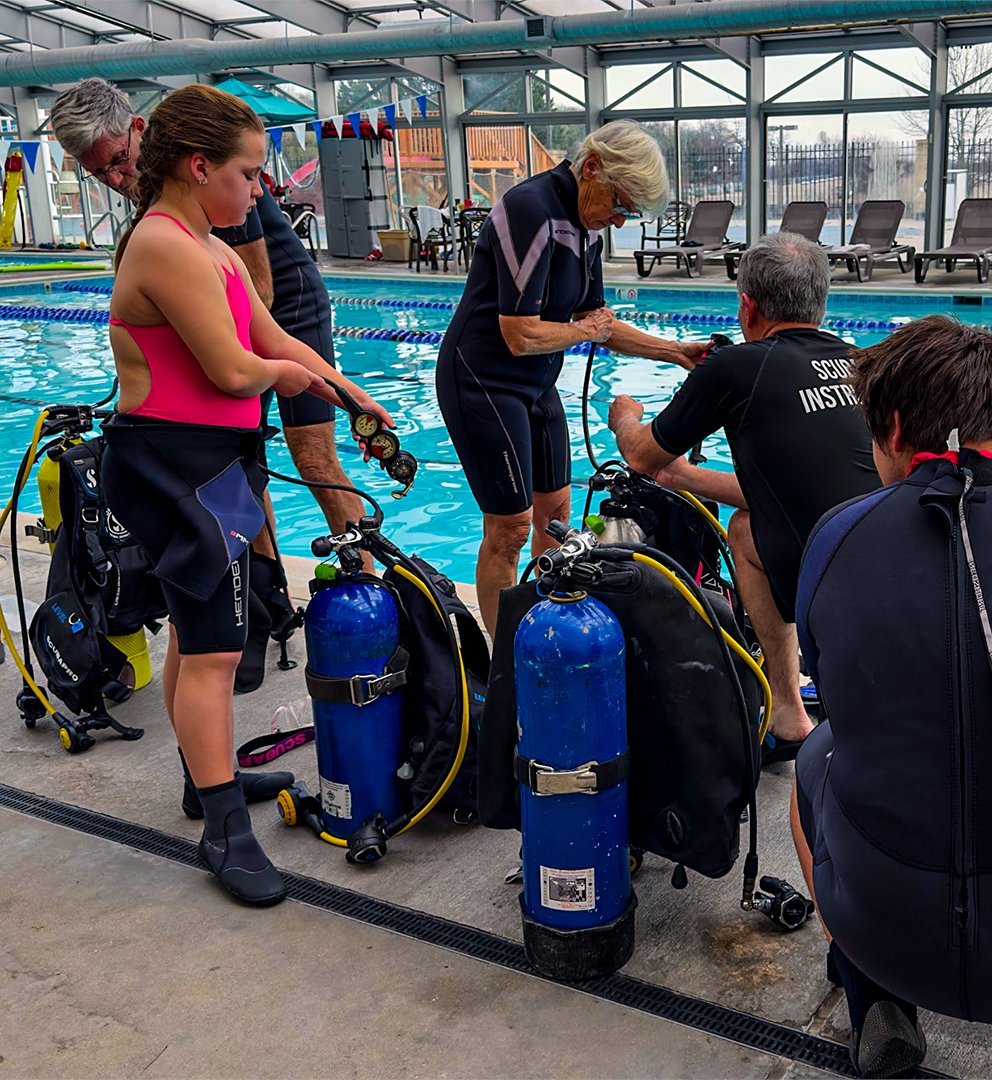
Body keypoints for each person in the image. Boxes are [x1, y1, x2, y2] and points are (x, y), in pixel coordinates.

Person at [100, 84, 391, 906]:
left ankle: (207, 781)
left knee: (203, 639)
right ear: (200, 167)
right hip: (169, 466)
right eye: (250, 172)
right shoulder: (163, 246)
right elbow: (236, 368)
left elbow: (274, 335)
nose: (260, 189)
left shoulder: (214, 247)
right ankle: (223, 829)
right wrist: (292, 376)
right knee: (218, 646)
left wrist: (345, 391)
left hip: (214, 463)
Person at [793, 316, 992, 1077]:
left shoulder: (837, 534)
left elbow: (827, 685)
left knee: (815, 756)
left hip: (892, 931)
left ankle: (877, 1004)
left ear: (890, 425)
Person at [607, 232, 879, 762]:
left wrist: (625, 416)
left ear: (747, 306)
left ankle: (787, 710)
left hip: (830, 570)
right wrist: (684, 478)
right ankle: (790, 700)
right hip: (884, 554)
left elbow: (640, 456)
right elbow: (799, 482)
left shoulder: (736, 366)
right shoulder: (859, 360)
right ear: (820, 303)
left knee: (742, 531)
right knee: (752, 522)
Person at [50, 78, 363, 537]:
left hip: (284, 303)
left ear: (139, 128)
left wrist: (333, 393)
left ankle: (362, 574)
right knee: (234, 465)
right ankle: (257, 583)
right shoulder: (169, 216)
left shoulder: (210, 178)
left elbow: (259, 293)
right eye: (99, 174)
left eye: (118, 160)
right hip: (237, 324)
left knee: (308, 456)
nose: (116, 180)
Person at [436, 120, 709, 634]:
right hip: (483, 382)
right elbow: (520, 335)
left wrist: (674, 351)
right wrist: (583, 328)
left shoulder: (588, 229)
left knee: (557, 517)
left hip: (535, 388)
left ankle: (542, 632)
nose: (622, 220)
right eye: (622, 204)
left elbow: (597, 324)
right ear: (591, 169)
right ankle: (505, 663)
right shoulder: (530, 209)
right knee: (510, 528)